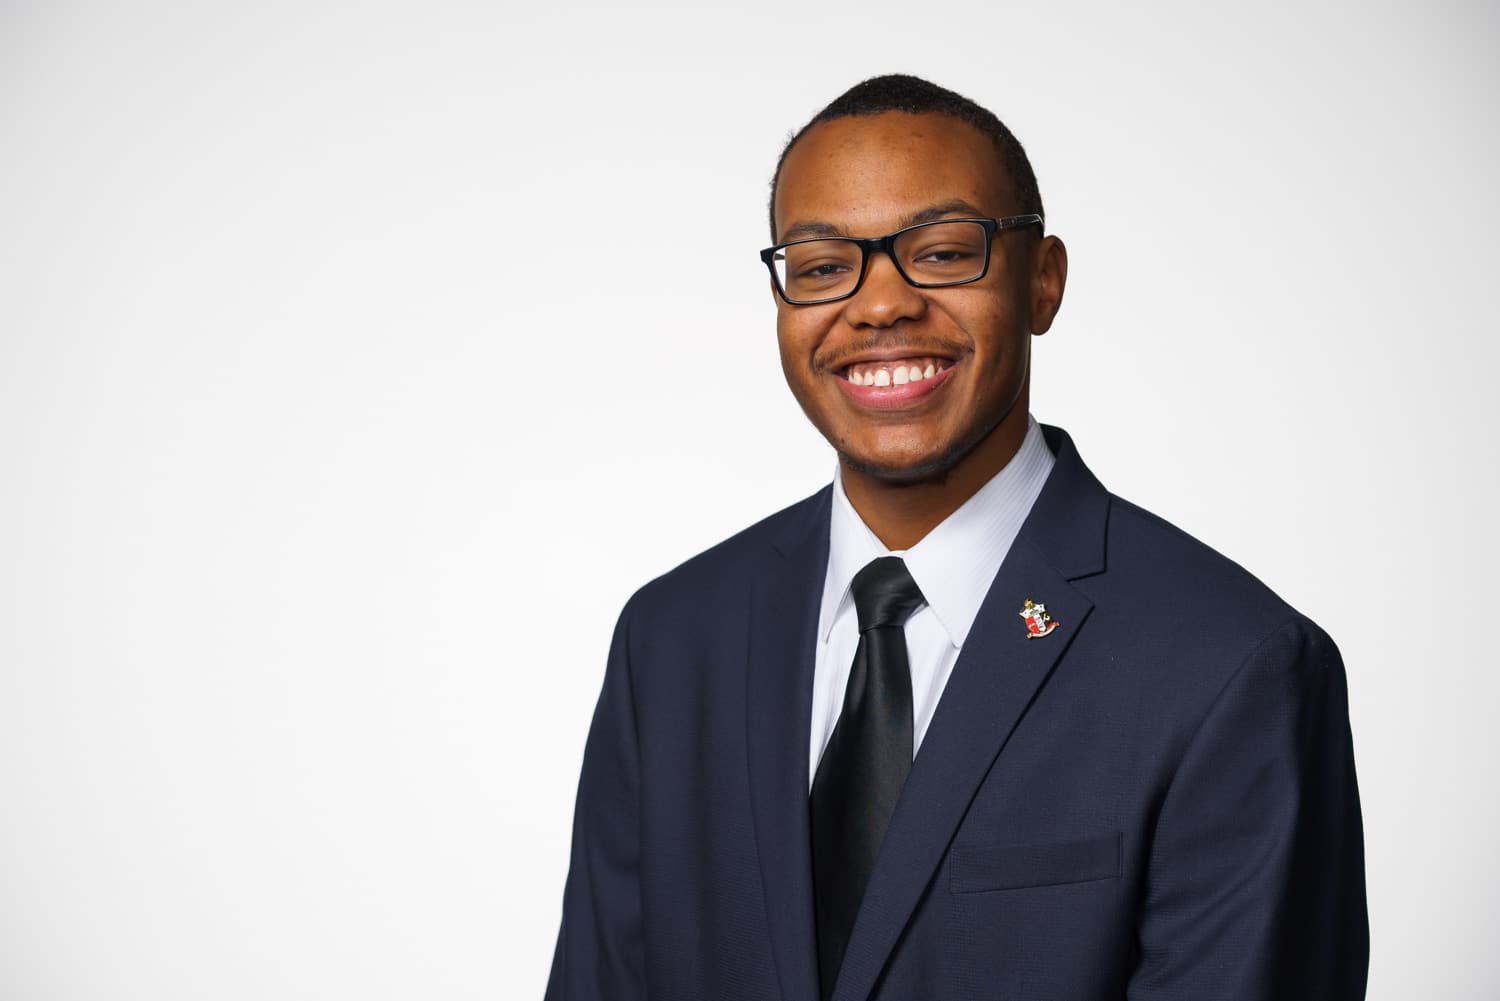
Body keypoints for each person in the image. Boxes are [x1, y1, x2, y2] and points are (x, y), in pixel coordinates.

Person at [544, 74, 1368, 1001]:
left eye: (941, 252)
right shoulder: (671, 639)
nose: (880, 304)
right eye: (821, 265)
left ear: (1043, 280)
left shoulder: (1230, 666)